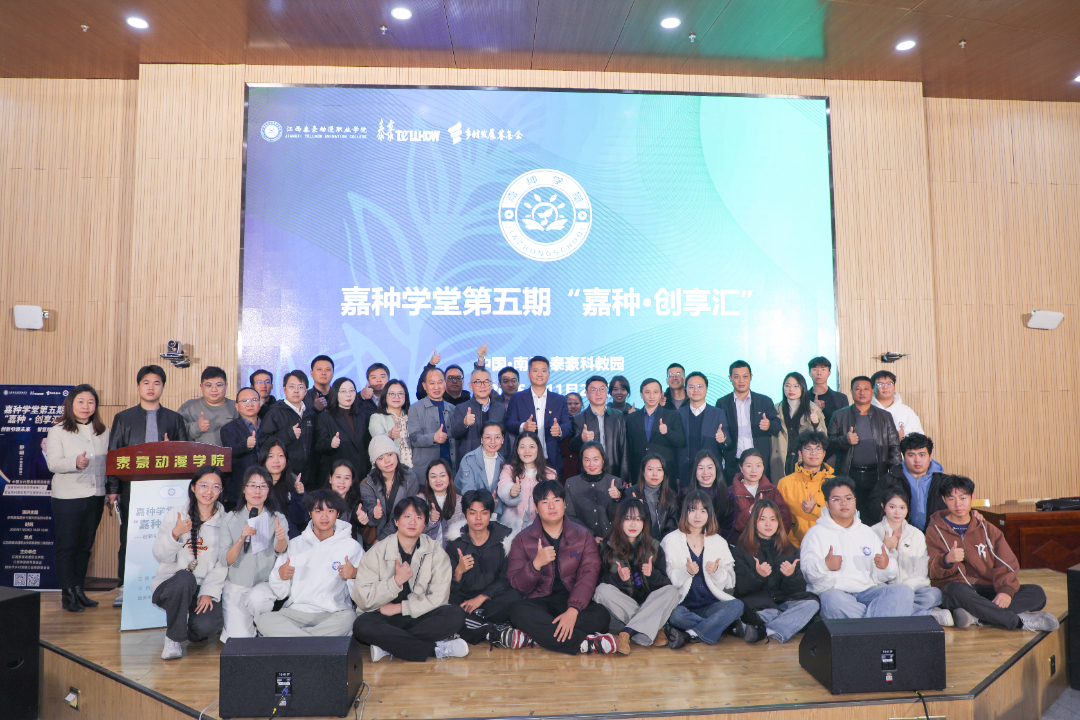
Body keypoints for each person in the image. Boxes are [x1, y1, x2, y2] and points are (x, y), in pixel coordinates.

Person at [926, 475, 1059, 632]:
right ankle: (1018, 622)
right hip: (959, 590)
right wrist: (946, 560)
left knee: (1037, 593)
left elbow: (1007, 562)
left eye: (963, 498)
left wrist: (1006, 591)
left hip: (988, 587)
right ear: (944, 500)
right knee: (955, 591)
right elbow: (931, 571)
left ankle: (976, 616)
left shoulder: (987, 528)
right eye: (951, 499)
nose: (958, 504)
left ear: (972, 497)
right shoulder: (934, 530)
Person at [107, 364, 188, 607]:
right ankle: (125, 586)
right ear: (138, 386)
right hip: (133, 490)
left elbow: (185, 457)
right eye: (146, 383)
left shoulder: (174, 419)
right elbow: (114, 455)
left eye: (156, 383)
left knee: (167, 537)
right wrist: (113, 489)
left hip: (166, 492)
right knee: (129, 539)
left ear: (163, 387)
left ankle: (168, 584)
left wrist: (171, 449)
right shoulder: (123, 418)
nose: (151, 387)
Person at [351, 496, 469, 662]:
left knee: (455, 615)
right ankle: (435, 649)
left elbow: (439, 598)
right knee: (362, 626)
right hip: (385, 618)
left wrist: (400, 608)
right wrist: (395, 582)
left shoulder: (436, 552)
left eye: (419, 517)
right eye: (407, 516)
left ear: (425, 524)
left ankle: (389, 645)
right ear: (396, 521)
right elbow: (363, 599)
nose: (412, 522)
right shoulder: (376, 552)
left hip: (421, 615)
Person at [505, 480, 616, 654]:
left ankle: (539, 636)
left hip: (573, 599)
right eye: (545, 502)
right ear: (536, 507)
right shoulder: (522, 539)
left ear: (564, 504)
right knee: (517, 612)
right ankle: (586, 644)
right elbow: (518, 585)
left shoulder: (583, 536)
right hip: (539, 602)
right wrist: (535, 565)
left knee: (601, 616)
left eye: (556, 500)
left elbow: (588, 575)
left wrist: (573, 610)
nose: (551, 506)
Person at [799, 476, 915, 619]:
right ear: (827, 504)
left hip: (868, 591)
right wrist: (825, 565)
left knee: (903, 591)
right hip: (836, 593)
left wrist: (886, 566)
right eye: (836, 499)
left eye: (848, 498)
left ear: (855, 500)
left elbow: (880, 577)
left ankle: (865, 627)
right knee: (831, 601)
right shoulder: (815, 533)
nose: (843, 503)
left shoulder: (866, 532)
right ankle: (877, 626)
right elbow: (808, 576)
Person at [257, 489, 364, 637]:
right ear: (310, 513)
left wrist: (354, 574)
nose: (324, 516)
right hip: (297, 611)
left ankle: (300, 641)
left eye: (330, 511)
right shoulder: (295, 544)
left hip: (334, 612)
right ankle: (314, 642)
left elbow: (361, 594)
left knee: (350, 619)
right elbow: (281, 593)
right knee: (264, 620)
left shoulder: (351, 547)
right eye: (318, 511)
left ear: (338, 514)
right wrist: (280, 576)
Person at [151, 466, 228, 659]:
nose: (209, 491)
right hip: (172, 584)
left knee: (205, 626)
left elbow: (223, 563)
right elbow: (160, 554)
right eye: (204, 485)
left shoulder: (226, 521)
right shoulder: (177, 514)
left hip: (203, 586)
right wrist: (175, 534)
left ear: (221, 490)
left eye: (216, 486)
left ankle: (188, 632)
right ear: (193, 487)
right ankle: (173, 639)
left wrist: (208, 592)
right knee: (185, 579)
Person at [47, 384, 110, 612]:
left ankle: (79, 589)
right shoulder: (58, 430)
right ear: (71, 404)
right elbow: (53, 463)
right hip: (68, 497)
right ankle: (68, 593)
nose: (86, 406)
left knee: (85, 546)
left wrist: (109, 492)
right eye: (81, 401)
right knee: (68, 546)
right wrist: (74, 462)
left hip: (95, 496)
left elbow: (108, 464)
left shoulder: (103, 430)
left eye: (91, 402)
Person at [594, 497, 681, 653]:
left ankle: (627, 634)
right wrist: (618, 578)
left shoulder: (654, 547)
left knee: (672, 591)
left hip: (649, 603)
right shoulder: (606, 547)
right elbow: (599, 582)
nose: (633, 524)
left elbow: (665, 584)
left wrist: (652, 575)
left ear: (644, 522)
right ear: (619, 521)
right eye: (628, 519)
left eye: (638, 519)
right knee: (601, 590)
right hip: (622, 610)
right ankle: (654, 627)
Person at [661, 490, 743, 648]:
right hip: (682, 605)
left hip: (711, 605)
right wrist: (686, 572)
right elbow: (666, 581)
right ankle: (719, 627)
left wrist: (716, 572)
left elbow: (729, 583)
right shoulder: (670, 541)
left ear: (709, 514)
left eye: (703, 511)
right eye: (693, 510)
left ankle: (691, 634)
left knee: (737, 605)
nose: (698, 516)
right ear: (685, 512)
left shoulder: (718, 541)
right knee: (674, 615)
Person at [732, 499, 819, 643]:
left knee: (812, 604)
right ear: (754, 522)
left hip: (784, 602)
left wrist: (790, 576)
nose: (768, 524)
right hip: (759, 605)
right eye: (762, 519)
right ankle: (788, 624)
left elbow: (799, 589)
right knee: (769, 613)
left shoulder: (789, 549)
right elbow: (740, 589)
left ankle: (765, 631)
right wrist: (758, 576)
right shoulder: (741, 549)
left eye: (773, 519)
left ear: (779, 522)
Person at [219, 467, 289, 641]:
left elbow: (281, 550)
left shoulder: (277, 518)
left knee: (257, 599)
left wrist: (281, 538)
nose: (257, 491)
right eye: (252, 485)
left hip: (264, 584)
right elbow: (226, 560)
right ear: (244, 489)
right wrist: (241, 538)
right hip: (236, 586)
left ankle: (263, 627)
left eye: (263, 486)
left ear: (269, 490)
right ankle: (251, 629)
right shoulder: (230, 518)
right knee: (239, 641)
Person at [445, 489, 521, 644]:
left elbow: (508, 578)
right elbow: (448, 587)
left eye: (484, 512)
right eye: (472, 513)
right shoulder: (455, 543)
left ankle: (473, 624)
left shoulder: (505, 540)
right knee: (445, 602)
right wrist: (459, 571)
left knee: (515, 596)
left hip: (493, 600)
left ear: (491, 514)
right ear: (465, 515)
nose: (478, 518)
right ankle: (493, 629)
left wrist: (482, 597)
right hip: (465, 600)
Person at [871, 489, 953, 626]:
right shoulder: (873, 532)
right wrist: (885, 547)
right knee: (877, 596)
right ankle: (926, 614)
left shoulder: (916, 534)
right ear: (883, 506)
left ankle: (897, 610)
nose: (897, 512)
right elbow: (871, 567)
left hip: (914, 590)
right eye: (892, 507)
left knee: (934, 594)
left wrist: (905, 590)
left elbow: (921, 569)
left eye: (902, 507)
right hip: (885, 589)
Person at [828, 377, 901, 523]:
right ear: (851, 391)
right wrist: (845, 440)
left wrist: (896, 477)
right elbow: (829, 444)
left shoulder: (885, 416)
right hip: (849, 474)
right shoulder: (840, 415)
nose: (862, 392)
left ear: (872, 391)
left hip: (877, 475)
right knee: (849, 516)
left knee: (876, 514)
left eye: (866, 389)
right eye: (858, 389)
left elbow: (894, 448)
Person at [715, 361, 780, 484]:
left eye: (745, 376)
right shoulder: (722, 403)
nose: (741, 381)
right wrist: (722, 437)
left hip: (760, 463)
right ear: (730, 378)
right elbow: (721, 430)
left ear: (751, 377)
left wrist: (769, 425)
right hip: (734, 463)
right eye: (736, 376)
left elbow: (777, 426)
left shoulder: (764, 401)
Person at [506, 356, 572, 476]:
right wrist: (523, 427)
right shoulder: (517, 398)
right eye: (535, 370)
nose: (539, 374)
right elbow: (509, 423)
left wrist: (560, 430)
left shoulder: (559, 399)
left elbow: (567, 424)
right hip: (524, 460)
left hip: (551, 459)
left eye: (543, 370)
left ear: (549, 374)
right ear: (529, 374)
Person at [870, 433, 945, 531]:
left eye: (922, 455)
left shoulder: (943, 481)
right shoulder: (890, 479)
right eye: (911, 455)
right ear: (904, 456)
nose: (917, 460)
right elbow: (874, 506)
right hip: (899, 534)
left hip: (935, 534)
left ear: (930, 456)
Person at [776, 431, 835, 548]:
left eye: (818, 449)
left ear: (824, 453)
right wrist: (793, 547)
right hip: (794, 548)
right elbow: (780, 519)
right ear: (800, 453)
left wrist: (815, 509)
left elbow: (840, 517)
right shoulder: (785, 483)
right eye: (808, 449)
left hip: (828, 546)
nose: (813, 453)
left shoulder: (835, 483)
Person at [315, 377, 374, 489]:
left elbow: (366, 445)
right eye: (343, 391)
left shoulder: (362, 416)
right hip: (337, 476)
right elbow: (319, 445)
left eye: (352, 390)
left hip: (360, 475)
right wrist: (330, 444)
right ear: (335, 393)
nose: (348, 394)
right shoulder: (325, 417)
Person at [496, 431, 559, 537]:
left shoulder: (550, 474)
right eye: (522, 447)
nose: (527, 451)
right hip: (510, 528)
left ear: (538, 449)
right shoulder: (509, 469)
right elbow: (503, 487)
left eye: (531, 447)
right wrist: (511, 492)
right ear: (517, 450)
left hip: (540, 529)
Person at [359, 435, 420, 542]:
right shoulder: (367, 484)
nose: (387, 461)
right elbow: (370, 518)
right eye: (380, 458)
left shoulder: (410, 478)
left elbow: (407, 512)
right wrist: (374, 515)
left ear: (396, 454)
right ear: (375, 462)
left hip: (403, 535)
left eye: (390, 454)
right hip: (375, 538)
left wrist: (381, 540)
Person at [257, 370, 316, 480]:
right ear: (284, 389)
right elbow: (263, 442)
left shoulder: (310, 414)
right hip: (283, 475)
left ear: (306, 391)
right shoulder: (275, 412)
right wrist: (288, 434)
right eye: (291, 386)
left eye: (300, 387)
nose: (296, 391)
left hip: (309, 476)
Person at [675, 372, 730, 489]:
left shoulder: (718, 413)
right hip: (686, 472)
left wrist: (723, 438)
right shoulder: (678, 414)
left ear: (707, 389)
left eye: (700, 386)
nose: (695, 390)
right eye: (691, 386)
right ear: (685, 389)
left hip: (710, 473)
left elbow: (728, 442)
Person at [570, 376, 630, 481]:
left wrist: (625, 475)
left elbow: (624, 447)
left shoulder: (618, 416)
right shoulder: (578, 418)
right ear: (587, 393)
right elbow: (572, 447)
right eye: (593, 390)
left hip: (614, 472)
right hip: (589, 474)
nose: (598, 393)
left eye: (602, 389)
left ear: (607, 392)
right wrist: (581, 439)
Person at [626, 378, 685, 482]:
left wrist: (667, 432)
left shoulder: (672, 415)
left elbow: (681, 442)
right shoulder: (632, 418)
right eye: (647, 392)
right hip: (639, 473)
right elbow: (628, 449)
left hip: (664, 472)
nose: (652, 396)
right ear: (641, 395)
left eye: (655, 392)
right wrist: (628, 476)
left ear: (661, 394)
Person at [564, 442, 626, 541]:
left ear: (603, 459)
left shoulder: (615, 482)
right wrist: (591, 536)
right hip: (582, 540)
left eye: (595, 459)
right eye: (587, 460)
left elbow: (619, 517)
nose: (591, 464)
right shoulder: (571, 484)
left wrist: (617, 499)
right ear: (581, 461)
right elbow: (569, 516)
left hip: (611, 540)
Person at [771, 372, 827, 481]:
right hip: (781, 459)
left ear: (803, 388)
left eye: (796, 386)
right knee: (782, 488)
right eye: (787, 386)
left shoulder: (813, 408)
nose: (791, 389)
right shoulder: (776, 409)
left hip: (803, 459)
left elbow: (824, 438)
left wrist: (816, 423)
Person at [451, 367, 508, 469]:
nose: (483, 385)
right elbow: (455, 433)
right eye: (478, 382)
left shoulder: (500, 409)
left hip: (496, 463)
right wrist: (464, 423)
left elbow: (505, 439)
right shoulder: (461, 408)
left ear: (491, 384)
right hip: (470, 464)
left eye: (486, 382)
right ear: (471, 386)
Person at [730, 449, 791, 541]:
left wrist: (775, 540)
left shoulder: (771, 489)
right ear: (741, 468)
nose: (754, 470)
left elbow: (785, 518)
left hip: (770, 543)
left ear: (763, 467)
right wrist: (750, 511)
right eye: (749, 466)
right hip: (742, 543)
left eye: (758, 465)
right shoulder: (731, 492)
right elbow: (731, 524)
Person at [219, 387, 263, 509]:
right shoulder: (228, 429)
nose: (250, 404)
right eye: (245, 401)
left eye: (254, 400)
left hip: (265, 487)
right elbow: (229, 452)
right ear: (237, 406)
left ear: (260, 404)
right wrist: (245, 445)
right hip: (239, 487)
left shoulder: (268, 426)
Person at [678, 450, 736, 540]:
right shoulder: (684, 494)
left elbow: (728, 527)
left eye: (710, 467)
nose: (706, 472)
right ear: (694, 470)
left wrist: (711, 542)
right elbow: (680, 522)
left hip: (718, 543)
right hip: (689, 541)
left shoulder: (728, 496)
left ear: (716, 469)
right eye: (701, 468)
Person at [409, 367, 457, 472]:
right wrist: (433, 438)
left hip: (450, 468)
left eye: (440, 382)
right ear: (424, 386)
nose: (436, 387)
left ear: (445, 383)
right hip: (425, 470)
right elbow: (414, 439)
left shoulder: (453, 409)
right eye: (432, 383)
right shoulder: (415, 408)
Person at [624, 454, 680, 542]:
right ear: (643, 472)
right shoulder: (631, 493)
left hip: (665, 542)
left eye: (659, 469)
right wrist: (638, 508)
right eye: (650, 469)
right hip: (639, 543)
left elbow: (672, 525)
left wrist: (660, 544)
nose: (655, 474)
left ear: (664, 473)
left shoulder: (671, 495)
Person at [178, 366, 238, 446]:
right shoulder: (189, 406)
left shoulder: (236, 407)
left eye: (219, 385)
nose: (214, 389)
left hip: (230, 453)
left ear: (226, 386)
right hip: (197, 453)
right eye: (209, 385)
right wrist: (196, 427)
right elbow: (176, 432)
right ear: (201, 387)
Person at [261, 440, 309, 537]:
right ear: (263, 458)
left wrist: (299, 495)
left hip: (289, 536)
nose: (276, 461)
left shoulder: (293, 482)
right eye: (271, 456)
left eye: (280, 455)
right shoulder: (255, 482)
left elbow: (300, 520)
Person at [455, 422, 507, 509]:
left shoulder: (503, 463)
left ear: (503, 440)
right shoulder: (469, 460)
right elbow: (468, 492)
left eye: (497, 437)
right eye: (488, 437)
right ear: (481, 439)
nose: (493, 441)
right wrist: (488, 504)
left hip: (495, 511)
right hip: (471, 509)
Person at [414, 346, 486, 405]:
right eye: (450, 378)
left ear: (463, 381)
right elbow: (421, 393)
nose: (454, 381)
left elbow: (480, 380)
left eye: (458, 378)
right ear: (444, 381)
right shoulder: (436, 399)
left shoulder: (470, 401)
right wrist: (431, 365)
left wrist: (481, 359)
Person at [367, 379, 412, 467]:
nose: (396, 397)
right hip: (389, 467)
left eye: (400, 393)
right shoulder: (377, 417)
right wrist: (389, 435)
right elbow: (377, 440)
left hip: (413, 468)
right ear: (385, 396)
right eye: (392, 394)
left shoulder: (412, 416)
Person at [870, 370, 924, 439]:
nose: (885, 387)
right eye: (880, 384)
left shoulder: (906, 411)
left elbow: (919, 438)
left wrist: (902, 438)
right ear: (872, 387)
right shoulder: (866, 410)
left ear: (894, 386)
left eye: (889, 383)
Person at [422, 459, 463, 547]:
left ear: (449, 477)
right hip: (426, 551)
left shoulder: (460, 501)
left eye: (442, 475)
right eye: (433, 477)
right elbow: (413, 530)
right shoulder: (420, 500)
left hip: (452, 551)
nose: (438, 480)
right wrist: (430, 521)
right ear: (428, 480)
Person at [807, 357, 848, 427]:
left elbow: (844, 423)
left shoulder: (841, 398)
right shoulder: (803, 397)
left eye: (823, 369)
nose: (819, 373)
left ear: (829, 373)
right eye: (815, 369)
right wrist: (813, 406)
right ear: (809, 373)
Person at [561, 392, 583, 480]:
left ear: (582, 405)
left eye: (576, 403)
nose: (573, 406)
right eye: (569, 404)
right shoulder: (559, 424)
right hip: (563, 466)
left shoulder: (587, 421)